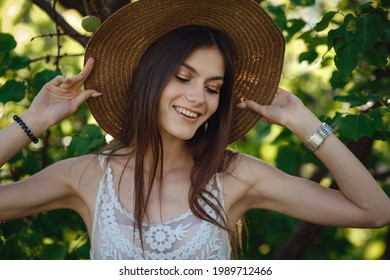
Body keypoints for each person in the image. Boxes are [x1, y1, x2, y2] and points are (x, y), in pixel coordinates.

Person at [0, 0, 389, 260]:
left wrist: (303, 122)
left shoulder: (235, 177)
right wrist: (30, 123)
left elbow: (375, 212)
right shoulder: (86, 176)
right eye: (182, 77)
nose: (198, 98)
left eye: (213, 87)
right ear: (149, 79)